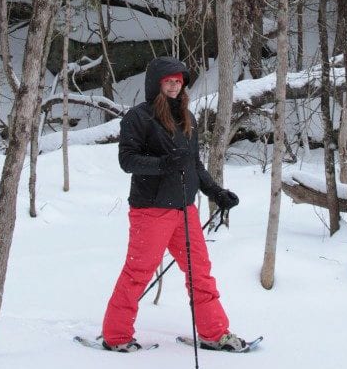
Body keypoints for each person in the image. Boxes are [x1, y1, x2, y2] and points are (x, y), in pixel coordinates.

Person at [101, 56, 244, 353]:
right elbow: (127, 161)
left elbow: (194, 165)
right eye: (169, 81)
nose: (175, 86)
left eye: (179, 81)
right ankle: (116, 336)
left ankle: (214, 333)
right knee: (138, 272)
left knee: (200, 272)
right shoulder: (138, 118)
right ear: (156, 83)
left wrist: (216, 193)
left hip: (185, 210)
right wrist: (164, 164)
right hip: (151, 210)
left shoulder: (186, 118)